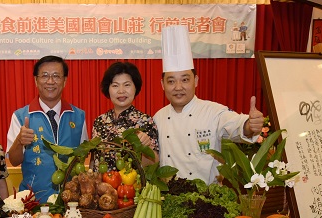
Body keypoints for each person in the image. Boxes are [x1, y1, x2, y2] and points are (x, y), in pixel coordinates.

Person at [154, 25, 264, 184]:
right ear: (162, 85)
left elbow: (235, 125)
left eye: (185, 79)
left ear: (196, 81)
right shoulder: (159, 117)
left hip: (208, 200)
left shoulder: (213, 112)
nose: (178, 87)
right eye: (171, 81)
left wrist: (249, 125)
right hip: (170, 201)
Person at [6, 55, 87, 203]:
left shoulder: (78, 117)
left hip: (71, 202)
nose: (50, 81)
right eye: (44, 76)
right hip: (33, 202)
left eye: (56, 76)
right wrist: (19, 141)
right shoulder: (20, 116)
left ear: (65, 81)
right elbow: (14, 160)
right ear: (36, 80)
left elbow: (83, 158)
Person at [92, 61, 159, 170]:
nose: (121, 91)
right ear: (108, 89)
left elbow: (153, 166)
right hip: (102, 186)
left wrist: (146, 147)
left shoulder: (145, 121)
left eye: (127, 85)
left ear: (135, 87)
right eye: (115, 85)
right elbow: (94, 160)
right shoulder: (99, 121)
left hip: (131, 186)